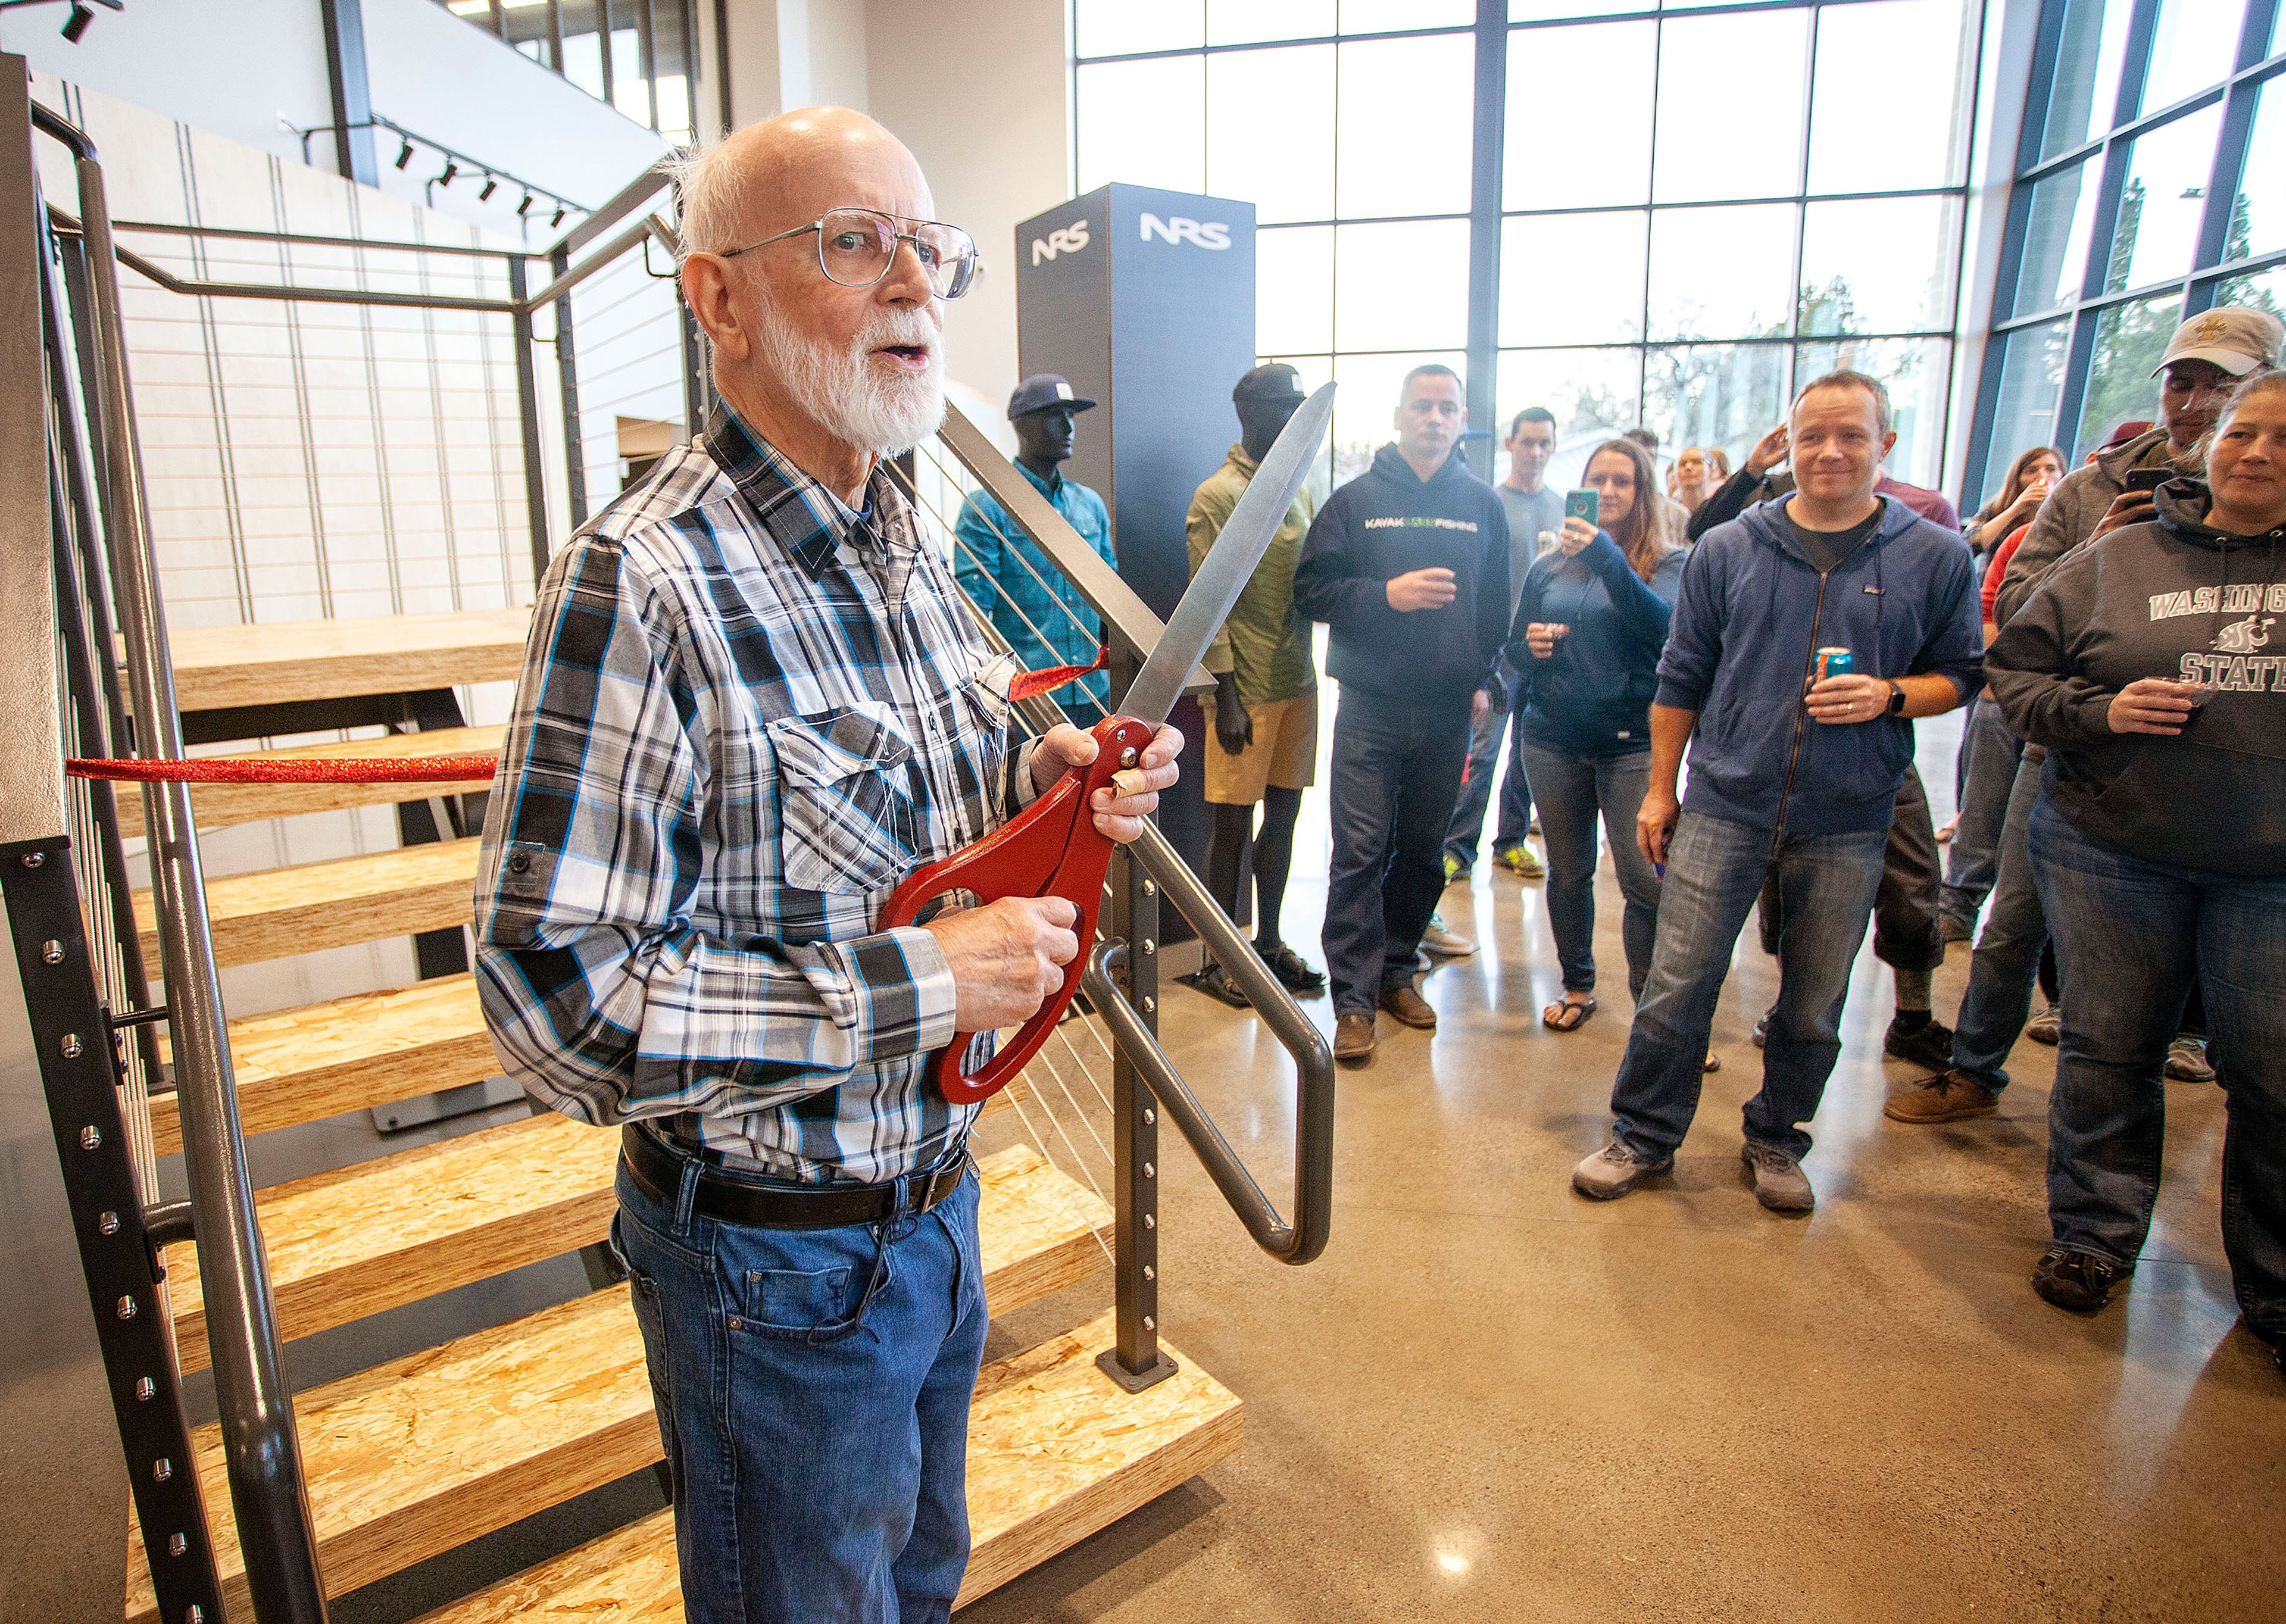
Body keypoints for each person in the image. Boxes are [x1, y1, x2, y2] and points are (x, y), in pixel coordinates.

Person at [472, 108, 1184, 1622]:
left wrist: (1039, 776)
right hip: (772, 1272)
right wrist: (914, 979)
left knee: (916, 1580)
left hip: (934, 1207)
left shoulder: (905, 536)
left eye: (931, 250)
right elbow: (548, 990)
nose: (911, 284)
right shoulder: (638, 580)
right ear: (716, 297)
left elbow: (897, 786)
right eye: (853, 243)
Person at [1569, 371, 1981, 1211]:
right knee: (1676, 987)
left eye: (1852, 436)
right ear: (1786, 446)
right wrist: (1659, 792)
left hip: (1849, 816)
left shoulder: (1934, 555)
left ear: (1885, 445)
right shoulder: (1731, 548)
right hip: (1726, 801)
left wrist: (1890, 694)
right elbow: (1681, 675)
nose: (1830, 452)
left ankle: (1777, 1136)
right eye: (1812, 436)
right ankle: (1645, 1134)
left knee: (1815, 1006)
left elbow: (1961, 675)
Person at [1890, 310, 2282, 1130]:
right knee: (2016, 923)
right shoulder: (2093, 489)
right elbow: (2017, 619)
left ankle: (2188, 1035)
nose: (2197, 403)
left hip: (2244, 816)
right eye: (2182, 380)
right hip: (2080, 762)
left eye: (2222, 386)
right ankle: (1974, 1066)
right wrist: (2097, 551)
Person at [1983, 371, 2286, 1376]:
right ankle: (2094, 1235)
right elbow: (2016, 672)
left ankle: (2275, 1279)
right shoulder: (2119, 554)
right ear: (2206, 444)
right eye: (2242, 432)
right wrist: (2101, 711)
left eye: (2282, 438)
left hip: (2270, 869)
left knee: (2271, 1072)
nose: (2256, 452)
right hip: (2115, 851)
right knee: (2109, 1047)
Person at [1294, 363, 1509, 1066]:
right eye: (1423, 406)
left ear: (1462, 419)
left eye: (1448, 408)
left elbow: (1497, 605)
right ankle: (1352, 1002)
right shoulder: (1355, 502)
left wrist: (1484, 674)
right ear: (1398, 416)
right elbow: (1313, 591)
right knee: (1359, 853)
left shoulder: (1482, 504)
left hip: (1447, 713)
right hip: (1370, 708)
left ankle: (1395, 972)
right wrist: (1387, 594)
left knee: (1423, 854)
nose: (1435, 418)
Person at [1506, 436, 1682, 1032]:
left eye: (1622, 481)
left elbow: (1665, 633)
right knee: (1568, 871)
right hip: (1552, 740)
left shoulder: (1667, 564)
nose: (1607, 491)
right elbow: (1514, 648)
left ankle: (1658, 1015)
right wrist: (1526, 648)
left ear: (1642, 492)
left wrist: (1609, 556)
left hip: (1633, 746)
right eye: (1597, 480)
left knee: (1644, 884)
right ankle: (1578, 984)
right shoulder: (1548, 566)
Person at [1187, 363, 1325, 1005]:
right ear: (1251, 411)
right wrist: (1227, 692)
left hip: (1297, 676)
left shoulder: (1300, 482)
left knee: (1287, 815)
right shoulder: (1218, 495)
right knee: (1233, 826)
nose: (1296, 417)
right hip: (1244, 686)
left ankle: (1268, 940)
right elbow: (1206, 598)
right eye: (1286, 406)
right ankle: (1219, 955)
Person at [953, 373, 1117, 718]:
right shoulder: (988, 508)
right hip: (1028, 694)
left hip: (1093, 688)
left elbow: (1111, 601)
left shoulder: (1089, 504)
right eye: (1055, 417)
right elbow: (974, 615)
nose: (1069, 428)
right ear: (1022, 426)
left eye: (1071, 416)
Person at [1441, 406, 1559, 885]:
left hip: (1546, 655)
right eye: (1526, 441)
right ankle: (1456, 849)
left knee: (1528, 754)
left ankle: (1510, 843)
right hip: (1499, 653)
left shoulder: (1562, 508)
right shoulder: (1488, 503)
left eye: (1544, 443)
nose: (1535, 451)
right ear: (1510, 444)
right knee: (1483, 752)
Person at [1965, 445, 2063, 557]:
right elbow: (1966, 548)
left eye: (2051, 469)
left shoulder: (2066, 514)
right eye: (2032, 471)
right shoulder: (1995, 509)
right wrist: (2014, 510)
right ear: (2017, 478)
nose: (2043, 475)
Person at [1622, 424, 1691, 540]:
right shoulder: (1607, 508)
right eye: (1637, 456)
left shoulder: (1678, 515)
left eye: (1649, 456)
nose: (1643, 463)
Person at [1668, 445, 1722, 517]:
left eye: (1697, 462)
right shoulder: (1665, 511)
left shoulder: (1720, 510)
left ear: (1712, 471)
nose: (1688, 467)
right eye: (1683, 464)